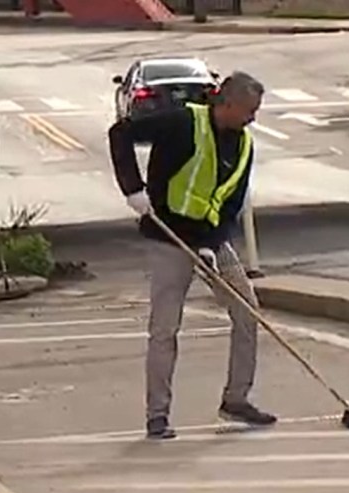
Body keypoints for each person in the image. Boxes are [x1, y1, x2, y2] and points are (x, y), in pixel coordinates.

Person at [108, 71, 277, 440]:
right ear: (226, 104)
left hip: (210, 242)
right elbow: (120, 133)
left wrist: (211, 244)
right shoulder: (182, 121)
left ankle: (236, 399)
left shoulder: (243, 145)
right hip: (167, 237)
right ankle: (158, 416)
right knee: (165, 328)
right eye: (250, 110)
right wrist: (133, 189)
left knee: (247, 312)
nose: (253, 118)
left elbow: (229, 203)